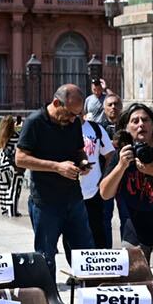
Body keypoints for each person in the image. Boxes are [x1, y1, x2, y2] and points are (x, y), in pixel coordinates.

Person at [98, 102, 153, 267]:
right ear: (126, 128)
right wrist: (121, 166)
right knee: (136, 286)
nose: (141, 124)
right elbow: (105, 193)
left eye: (145, 120)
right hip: (135, 233)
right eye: (135, 121)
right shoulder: (123, 154)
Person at [14, 85, 95, 262]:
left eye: (78, 115)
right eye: (70, 114)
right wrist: (57, 167)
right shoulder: (35, 122)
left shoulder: (72, 123)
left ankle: (87, 288)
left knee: (86, 254)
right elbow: (20, 159)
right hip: (46, 201)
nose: (74, 120)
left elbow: (78, 149)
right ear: (57, 103)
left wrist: (83, 162)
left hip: (74, 199)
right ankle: (49, 290)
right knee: (46, 256)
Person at [81, 100, 118, 250]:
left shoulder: (95, 129)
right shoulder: (60, 131)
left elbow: (110, 155)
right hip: (68, 192)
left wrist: (104, 177)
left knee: (97, 231)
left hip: (93, 192)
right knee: (72, 236)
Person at [0, 114, 24, 218]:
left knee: (3, 187)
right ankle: (12, 211)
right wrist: (21, 127)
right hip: (12, 166)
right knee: (14, 188)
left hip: (1, 165)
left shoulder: (2, 137)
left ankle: (4, 210)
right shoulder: (15, 136)